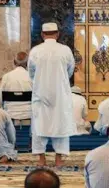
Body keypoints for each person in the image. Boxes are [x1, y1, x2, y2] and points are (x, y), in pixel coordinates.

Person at [29, 22, 76, 167]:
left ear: (43, 35)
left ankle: (41, 160)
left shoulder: (35, 51)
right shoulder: (65, 50)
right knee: (60, 123)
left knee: (39, 124)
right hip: (60, 94)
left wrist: (39, 82)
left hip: (40, 93)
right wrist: (60, 81)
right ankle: (59, 159)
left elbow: (31, 72)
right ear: (57, 34)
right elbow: (70, 70)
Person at [0, 51, 34, 121]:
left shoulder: (6, 77)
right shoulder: (32, 77)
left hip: (9, 114)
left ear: (14, 62)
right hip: (29, 114)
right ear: (27, 63)